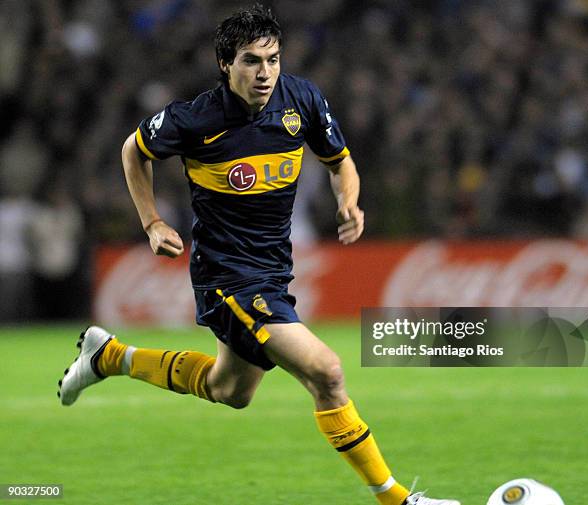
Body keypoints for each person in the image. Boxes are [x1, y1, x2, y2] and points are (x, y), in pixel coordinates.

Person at [58, 6, 459, 505]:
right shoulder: (195, 118)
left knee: (229, 390)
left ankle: (109, 356)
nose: (265, 72)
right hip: (226, 276)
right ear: (226, 64)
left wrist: (348, 199)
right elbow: (133, 151)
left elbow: (341, 161)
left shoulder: (302, 99)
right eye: (251, 61)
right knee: (328, 373)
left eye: (272, 59)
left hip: (272, 271)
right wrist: (152, 221)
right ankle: (398, 500)